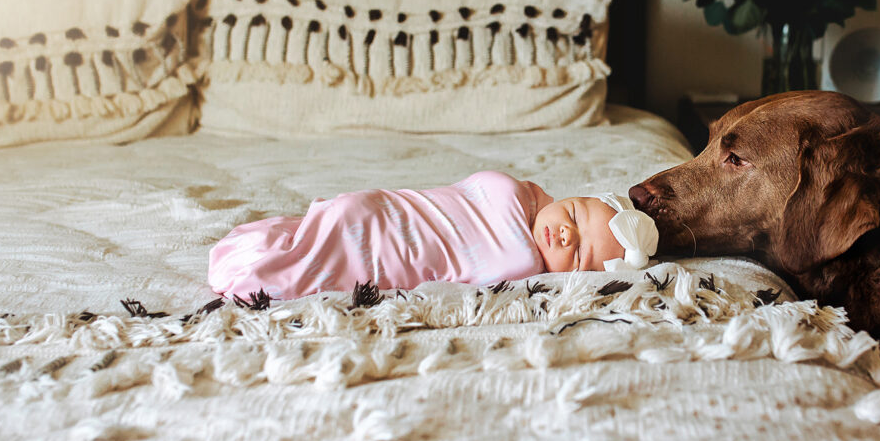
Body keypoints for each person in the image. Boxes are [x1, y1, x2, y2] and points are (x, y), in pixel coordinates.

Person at [208, 170, 659, 302]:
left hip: (388, 249)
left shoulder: (520, 265)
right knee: (330, 231)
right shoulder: (519, 196)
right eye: (575, 217)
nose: (564, 235)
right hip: (381, 212)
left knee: (316, 262)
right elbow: (472, 195)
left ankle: (271, 264)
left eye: (577, 255)